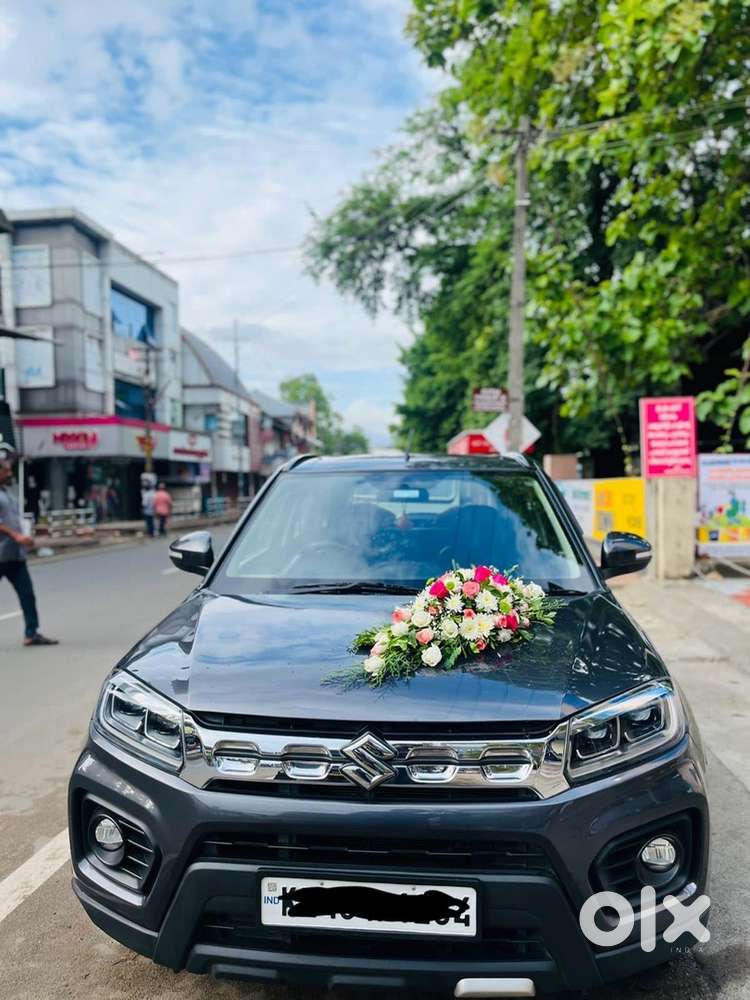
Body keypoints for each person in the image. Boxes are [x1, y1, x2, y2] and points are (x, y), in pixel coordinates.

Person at [0, 455, 59, 647]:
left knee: (27, 594)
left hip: (15, 555)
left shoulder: (7, 492)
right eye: (6, 470)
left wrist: (25, 536)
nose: (9, 473)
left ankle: (31, 633)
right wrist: (16, 536)